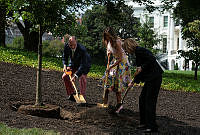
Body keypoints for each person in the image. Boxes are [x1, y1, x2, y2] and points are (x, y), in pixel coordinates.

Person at [122, 38, 164, 133]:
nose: (126, 51)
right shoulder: (137, 54)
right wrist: (133, 82)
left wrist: (142, 67)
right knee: (142, 99)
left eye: (126, 49)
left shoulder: (140, 50)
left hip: (155, 78)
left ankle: (152, 126)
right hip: (150, 79)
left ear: (129, 46)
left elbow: (152, 59)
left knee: (149, 101)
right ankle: (144, 123)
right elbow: (139, 72)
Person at [100, 27, 131, 112]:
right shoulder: (107, 41)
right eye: (106, 36)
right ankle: (105, 103)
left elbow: (121, 58)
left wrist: (110, 67)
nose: (107, 38)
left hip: (122, 63)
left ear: (112, 35)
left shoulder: (117, 42)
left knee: (117, 84)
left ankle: (119, 105)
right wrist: (108, 52)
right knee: (107, 80)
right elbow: (109, 50)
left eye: (108, 36)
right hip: (115, 61)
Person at [62, 36, 91, 101]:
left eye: (73, 45)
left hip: (84, 64)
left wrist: (75, 75)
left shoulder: (82, 49)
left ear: (76, 42)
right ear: (68, 43)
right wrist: (65, 65)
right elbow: (65, 57)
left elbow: (83, 65)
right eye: (70, 45)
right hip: (73, 63)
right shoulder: (66, 46)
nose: (72, 47)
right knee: (65, 76)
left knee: (82, 78)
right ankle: (71, 94)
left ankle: (82, 97)